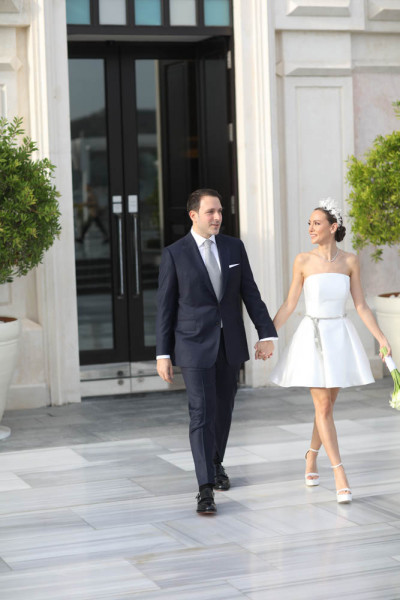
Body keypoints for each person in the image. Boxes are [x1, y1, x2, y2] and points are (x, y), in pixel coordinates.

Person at [156, 189, 277, 515]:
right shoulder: (175, 254)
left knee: (223, 410)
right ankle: (205, 488)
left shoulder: (234, 247)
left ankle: (215, 462)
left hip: (230, 344)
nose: (218, 217)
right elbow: (165, 308)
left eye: (220, 211)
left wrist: (266, 333)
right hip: (193, 345)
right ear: (193, 215)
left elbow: (250, 292)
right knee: (201, 412)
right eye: (211, 212)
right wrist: (162, 354)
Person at [270, 198, 391, 503]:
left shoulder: (350, 261)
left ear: (333, 227)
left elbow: (361, 305)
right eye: (309, 224)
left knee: (326, 407)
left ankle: (311, 455)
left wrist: (381, 337)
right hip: (312, 337)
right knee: (323, 407)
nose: (310, 228)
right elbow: (289, 304)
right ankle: (339, 473)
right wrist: (267, 336)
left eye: (317, 223)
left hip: (340, 336)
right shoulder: (302, 260)